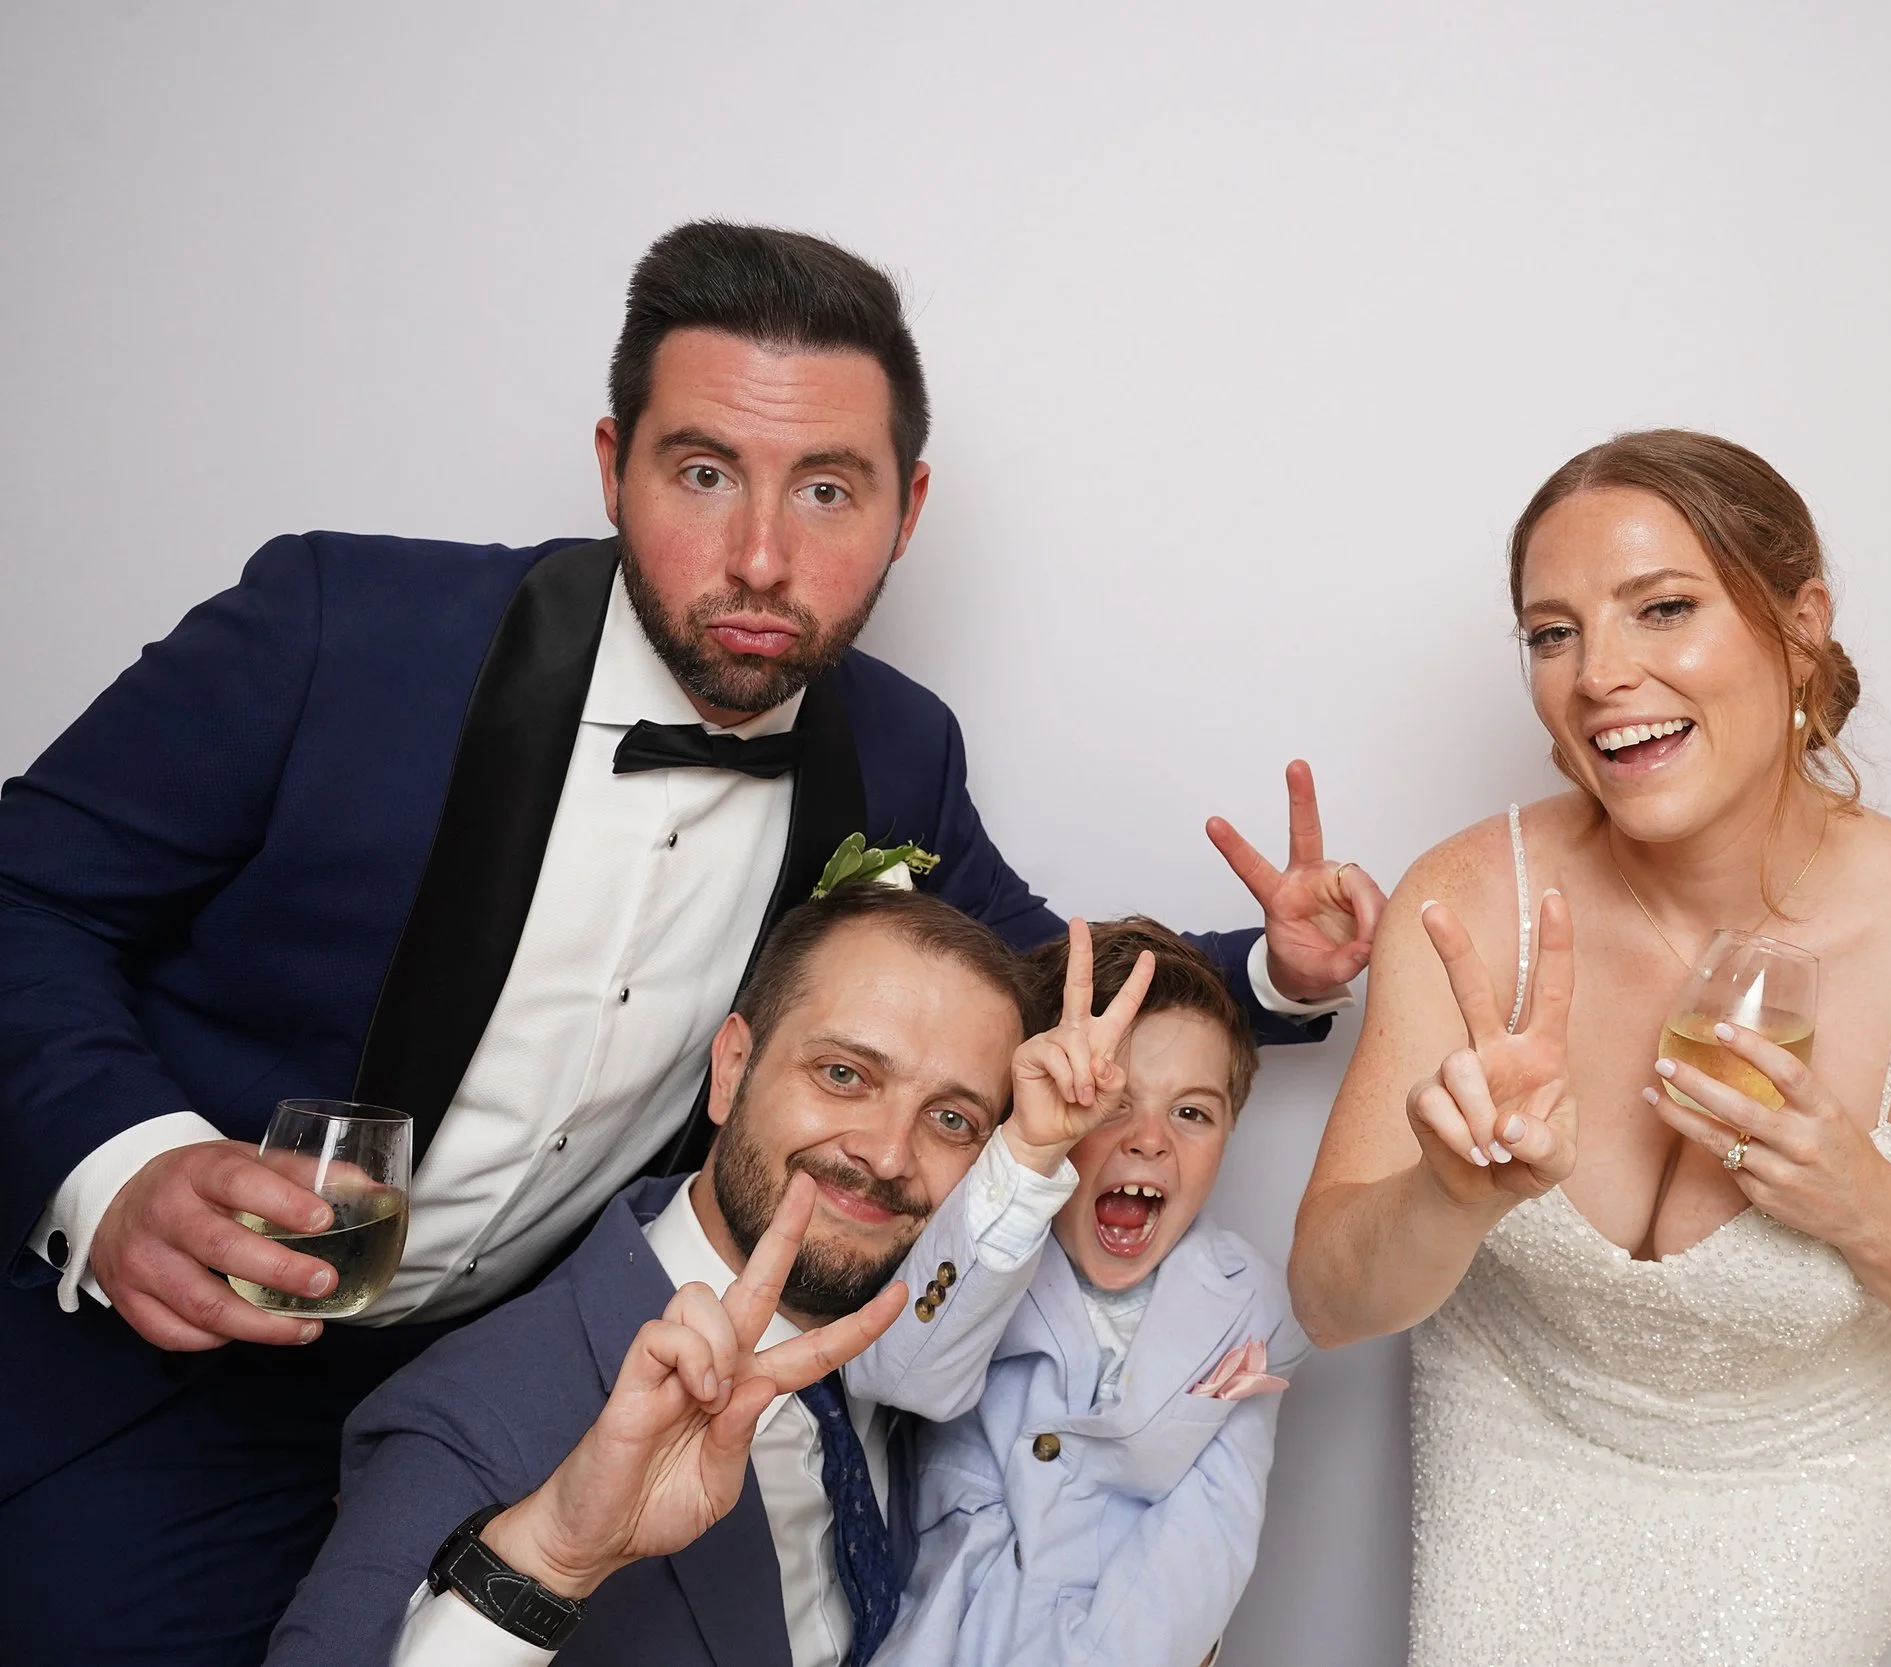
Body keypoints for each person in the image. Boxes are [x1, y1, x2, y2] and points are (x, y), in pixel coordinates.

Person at [0, 219, 1386, 1667]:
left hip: (551, 1397)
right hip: (156, 1372)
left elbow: (1047, 982)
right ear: (614, 463)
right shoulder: (339, 626)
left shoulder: (896, 750)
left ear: (908, 510)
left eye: (830, 490)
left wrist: (1279, 973)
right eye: (704, 472)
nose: (762, 556)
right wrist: (125, 1164)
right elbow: (26, 890)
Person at [1287, 431, 1891, 1666]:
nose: (1598, 674)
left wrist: (1865, 1204)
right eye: (1551, 633)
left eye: (1662, 609)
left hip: (1812, 1476)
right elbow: (1329, 1298)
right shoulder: (1470, 902)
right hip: (1513, 1426)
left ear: (1799, 626)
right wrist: (1447, 1193)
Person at [269, 881, 1152, 1666]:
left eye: (953, 1119)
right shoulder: (477, 1411)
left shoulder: (908, 1331)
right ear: (732, 1069)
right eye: (844, 1073)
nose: (888, 1155)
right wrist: (551, 1560)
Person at [873, 918, 1306, 1667]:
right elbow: (898, 1371)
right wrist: (1028, 1155)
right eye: (1111, 1102)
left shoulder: (1253, 1305)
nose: (1149, 1139)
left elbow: (1202, 1549)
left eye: (1193, 1111)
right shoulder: (979, 1240)